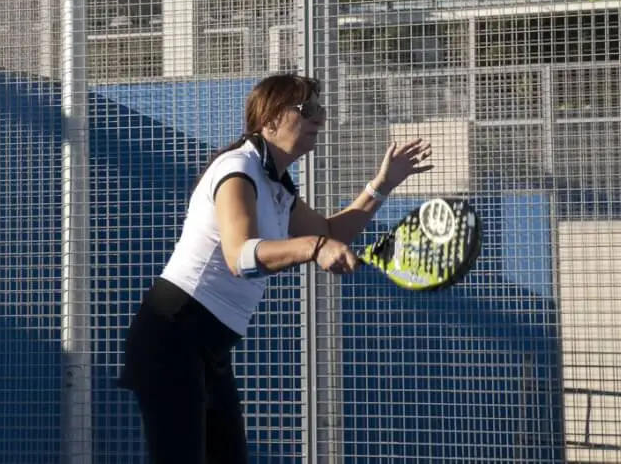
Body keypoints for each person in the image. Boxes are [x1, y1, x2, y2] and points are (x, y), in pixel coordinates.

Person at [117, 73, 434, 463]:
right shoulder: (237, 169)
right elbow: (240, 256)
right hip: (173, 332)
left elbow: (330, 232)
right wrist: (312, 247)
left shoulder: (276, 185)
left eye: (320, 108)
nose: (319, 117)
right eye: (307, 109)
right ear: (269, 122)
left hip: (210, 345)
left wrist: (382, 185)